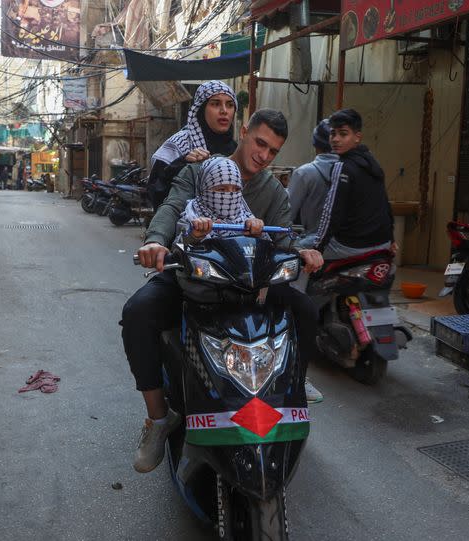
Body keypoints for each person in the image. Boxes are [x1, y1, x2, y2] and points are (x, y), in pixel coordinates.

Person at [122, 109, 324, 474]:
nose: (263, 155)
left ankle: (292, 387)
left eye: (273, 151)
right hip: (193, 278)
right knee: (138, 312)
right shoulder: (199, 169)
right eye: (260, 143)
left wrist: (301, 253)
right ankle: (158, 418)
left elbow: (284, 238)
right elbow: (171, 209)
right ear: (244, 132)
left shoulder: (273, 192)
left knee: (305, 312)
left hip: (251, 285)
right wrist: (156, 242)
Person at [313, 109, 395, 261]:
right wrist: (392, 239)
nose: (336, 139)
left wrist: (317, 248)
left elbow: (331, 212)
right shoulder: (371, 161)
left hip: (351, 246)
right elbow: (384, 203)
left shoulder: (342, 166)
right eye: (332, 134)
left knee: (299, 251)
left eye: (343, 134)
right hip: (382, 243)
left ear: (357, 137)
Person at [147, 81, 238, 211]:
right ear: (201, 108)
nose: (224, 111)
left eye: (230, 105)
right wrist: (182, 163)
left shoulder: (234, 150)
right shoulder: (180, 143)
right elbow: (154, 191)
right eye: (215, 104)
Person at [287, 119, 339, 247]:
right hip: (346, 245)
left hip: (314, 242)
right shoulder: (349, 169)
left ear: (315, 144)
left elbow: (286, 214)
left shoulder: (304, 173)